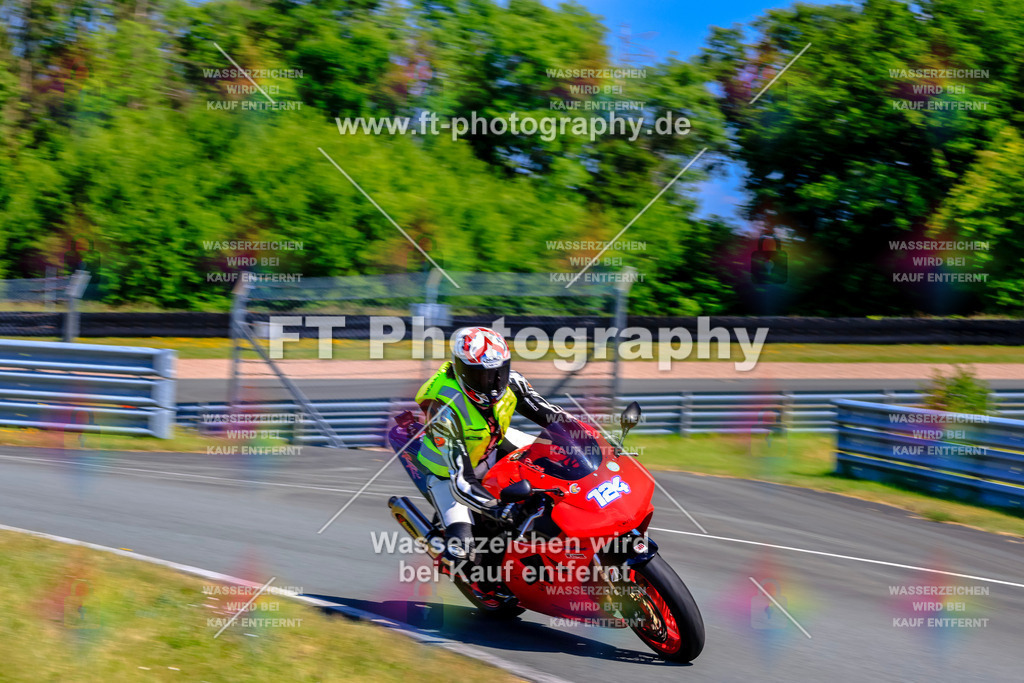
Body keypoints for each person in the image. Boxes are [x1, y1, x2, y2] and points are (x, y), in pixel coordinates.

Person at [413, 326, 569, 573]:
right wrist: (497, 508)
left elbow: (554, 416)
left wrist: (595, 439)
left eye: (499, 373)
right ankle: (448, 549)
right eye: (481, 376)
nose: (493, 384)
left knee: (559, 463)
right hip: (447, 475)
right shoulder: (442, 410)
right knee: (463, 554)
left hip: (492, 446)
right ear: (460, 371)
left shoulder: (511, 382)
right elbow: (461, 481)